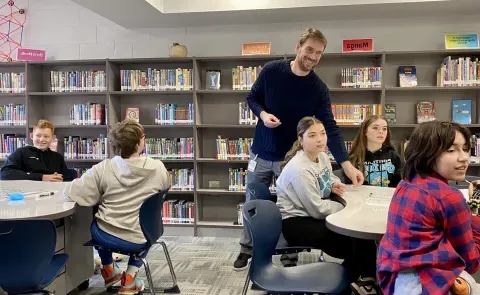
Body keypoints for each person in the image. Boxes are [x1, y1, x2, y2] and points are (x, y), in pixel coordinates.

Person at [234, 27, 364, 270]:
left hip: (290, 160)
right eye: (309, 50)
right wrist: (262, 115)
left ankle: (289, 253)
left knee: (289, 204)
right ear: (298, 48)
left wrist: (346, 165)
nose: (313, 57)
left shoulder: (318, 89)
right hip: (261, 153)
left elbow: (331, 128)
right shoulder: (272, 71)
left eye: (319, 53)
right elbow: (252, 98)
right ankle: (247, 247)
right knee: (253, 202)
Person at [63, 119, 170, 294]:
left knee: (95, 218)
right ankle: (130, 278)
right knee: (147, 229)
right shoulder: (158, 167)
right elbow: (164, 190)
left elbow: (73, 191)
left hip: (106, 236)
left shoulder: (103, 168)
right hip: (142, 235)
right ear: (138, 142)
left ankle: (108, 269)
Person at [276, 116, 379, 295]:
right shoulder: (300, 170)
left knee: (362, 242)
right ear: (301, 140)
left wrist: (333, 184)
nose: (320, 139)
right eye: (312, 135)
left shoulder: (321, 156)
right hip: (297, 223)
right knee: (356, 241)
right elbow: (317, 209)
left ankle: (359, 280)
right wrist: (346, 210)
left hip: (312, 214)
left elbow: (327, 176)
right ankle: (346, 284)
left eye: (323, 134)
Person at [377, 121, 480, 295]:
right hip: (429, 285)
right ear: (427, 153)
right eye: (451, 150)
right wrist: (475, 214)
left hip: (395, 280)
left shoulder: (406, 183)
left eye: (465, 148)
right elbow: (471, 262)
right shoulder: (450, 197)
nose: (463, 157)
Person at [0, 119, 74, 182]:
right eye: (38, 135)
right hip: (28, 193)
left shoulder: (58, 157)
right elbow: (5, 174)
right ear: (32, 136)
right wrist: (42, 177)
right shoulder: (21, 152)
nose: (42, 139)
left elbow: (67, 179)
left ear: (53, 138)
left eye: (46, 136)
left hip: (53, 193)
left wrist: (60, 180)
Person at [343, 115, 403, 187]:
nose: (381, 132)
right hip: (361, 196)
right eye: (375, 128)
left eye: (384, 129)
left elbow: (402, 182)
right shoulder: (354, 158)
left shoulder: (394, 156)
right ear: (365, 131)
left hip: (387, 196)